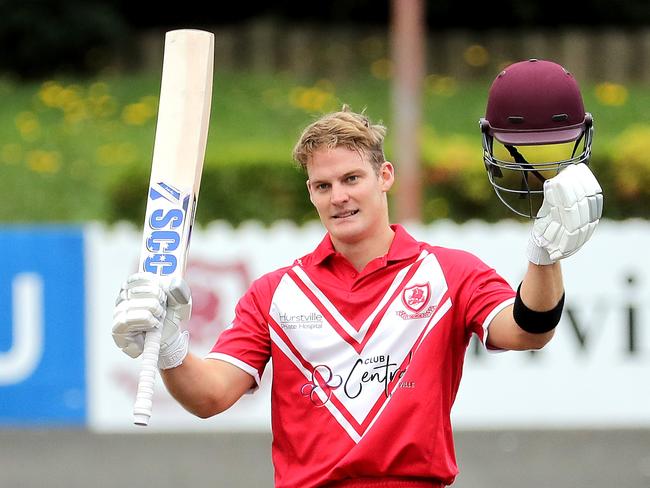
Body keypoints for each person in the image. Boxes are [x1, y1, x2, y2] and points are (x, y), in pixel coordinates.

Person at [112, 59, 602, 488]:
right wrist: (172, 347)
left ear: (384, 176)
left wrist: (543, 255)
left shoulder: (450, 273)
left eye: (351, 179)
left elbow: (528, 331)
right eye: (323, 185)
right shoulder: (274, 293)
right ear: (310, 193)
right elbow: (211, 397)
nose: (338, 197)